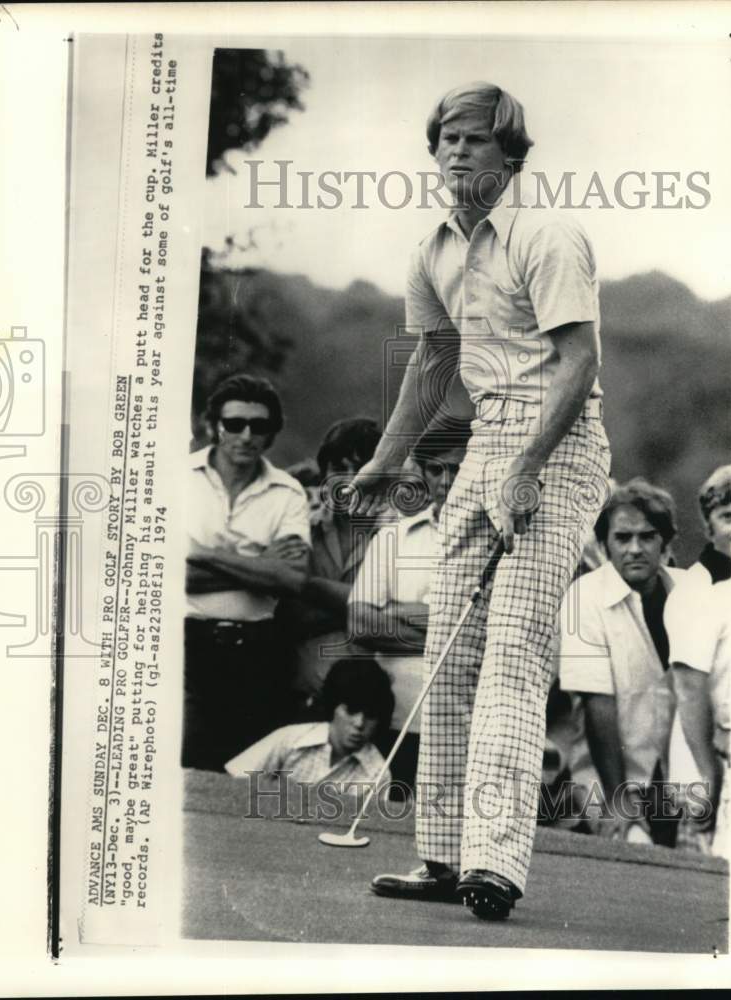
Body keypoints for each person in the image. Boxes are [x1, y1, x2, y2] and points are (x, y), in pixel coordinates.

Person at [357, 82, 611, 919]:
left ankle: (495, 864)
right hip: (484, 444)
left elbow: (578, 361)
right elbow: (432, 363)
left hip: (561, 444)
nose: (456, 153)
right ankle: (440, 857)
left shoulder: (548, 233)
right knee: (449, 653)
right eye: (445, 141)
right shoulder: (431, 249)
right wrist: (386, 463)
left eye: (474, 140)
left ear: (511, 154)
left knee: (512, 648)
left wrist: (531, 465)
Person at [184, 374, 311, 771]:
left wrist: (201, 554)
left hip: (256, 654)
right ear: (213, 427)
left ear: (272, 433)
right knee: (183, 765)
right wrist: (260, 563)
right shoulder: (174, 479)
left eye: (259, 426)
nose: (246, 435)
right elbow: (162, 575)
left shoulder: (288, 493)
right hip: (185, 645)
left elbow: (291, 580)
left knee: (243, 773)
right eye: (234, 424)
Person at [559, 479, 687, 845]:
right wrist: (620, 805)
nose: (635, 549)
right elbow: (598, 707)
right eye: (623, 538)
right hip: (607, 779)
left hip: (681, 781)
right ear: (604, 545)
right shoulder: (584, 597)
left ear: (665, 544)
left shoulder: (691, 592)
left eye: (647, 537)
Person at [349, 421, 471, 792]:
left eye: (459, 469)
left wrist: (400, 611)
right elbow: (361, 625)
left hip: (466, 722)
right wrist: (451, 631)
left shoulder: (503, 544)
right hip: (395, 716)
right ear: (422, 472)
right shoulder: (394, 538)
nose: (447, 482)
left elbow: (487, 634)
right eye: (437, 469)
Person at [276, 418, 383, 716]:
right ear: (323, 474)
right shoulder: (300, 530)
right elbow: (287, 616)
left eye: (361, 469)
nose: (349, 480)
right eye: (339, 469)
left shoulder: (398, 536)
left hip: (370, 711)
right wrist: (362, 610)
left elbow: (392, 618)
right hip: (301, 699)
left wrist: (309, 588)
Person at [664, 465, 731, 855]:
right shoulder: (696, 589)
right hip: (707, 766)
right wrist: (707, 779)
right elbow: (689, 690)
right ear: (708, 527)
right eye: (728, 517)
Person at [225, 658, 394, 801]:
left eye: (371, 715)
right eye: (351, 710)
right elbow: (233, 787)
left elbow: (365, 829)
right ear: (333, 706)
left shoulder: (378, 773)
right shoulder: (290, 738)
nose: (359, 723)